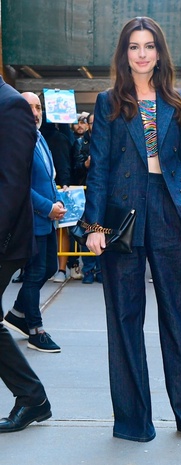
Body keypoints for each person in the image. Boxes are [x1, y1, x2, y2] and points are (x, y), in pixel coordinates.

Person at [84, 16, 181, 442]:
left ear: (160, 53)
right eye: (134, 46)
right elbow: (99, 168)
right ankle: (133, 423)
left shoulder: (179, 100)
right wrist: (95, 225)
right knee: (124, 319)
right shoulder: (109, 101)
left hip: (170, 210)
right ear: (124, 54)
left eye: (149, 46)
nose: (141, 53)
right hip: (123, 216)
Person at [0, 76, 52, 432]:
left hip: (5, 240)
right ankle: (32, 398)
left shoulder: (11, 105)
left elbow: (12, 184)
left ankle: (33, 397)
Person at [4, 92, 66, 352]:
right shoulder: (18, 140)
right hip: (32, 220)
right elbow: (21, 186)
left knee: (50, 267)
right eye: (28, 106)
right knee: (35, 274)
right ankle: (35, 331)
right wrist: (47, 207)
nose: (35, 111)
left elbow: (47, 179)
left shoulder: (39, 137)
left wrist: (60, 201)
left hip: (48, 220)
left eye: (38, 106)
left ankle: (18, 313)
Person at [40, 113, 83, 283]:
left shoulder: (55, 139)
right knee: (60, 230)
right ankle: (60, 268)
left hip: (56, 189)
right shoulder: (55, 138)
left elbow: (63, 163)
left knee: (61, 230)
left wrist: (65, 183)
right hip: (56, 188)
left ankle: (61, 268)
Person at [71, 113, 102, 284]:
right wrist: (85, 164)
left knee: (103, 230)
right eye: (92, 122)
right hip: (85, 190)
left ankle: (101, 269)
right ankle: (88, 270)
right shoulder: (80, 143)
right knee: (86, 230)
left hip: (104, 192)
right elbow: (75, 167)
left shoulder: (109, 139)